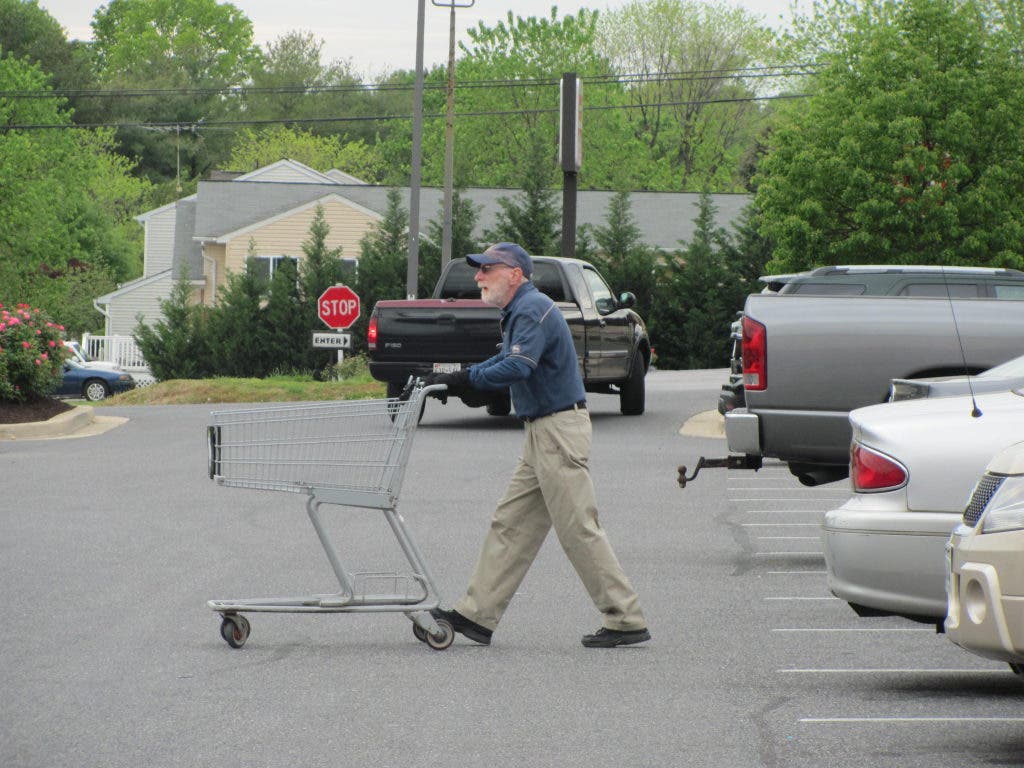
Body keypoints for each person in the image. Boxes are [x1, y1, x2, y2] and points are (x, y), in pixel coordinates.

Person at [425, 242, 650, 648]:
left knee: (579, 528)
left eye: (487, 270)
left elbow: (518, 365)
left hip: (557, 431)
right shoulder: (523, 309)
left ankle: (625, 618)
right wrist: (456, 377)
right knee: (510, 524)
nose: (478, 277)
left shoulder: (530, 309)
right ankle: (476, 614)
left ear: (515, 274)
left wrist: (465, 381)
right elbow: (504, 359)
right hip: (542, 432)